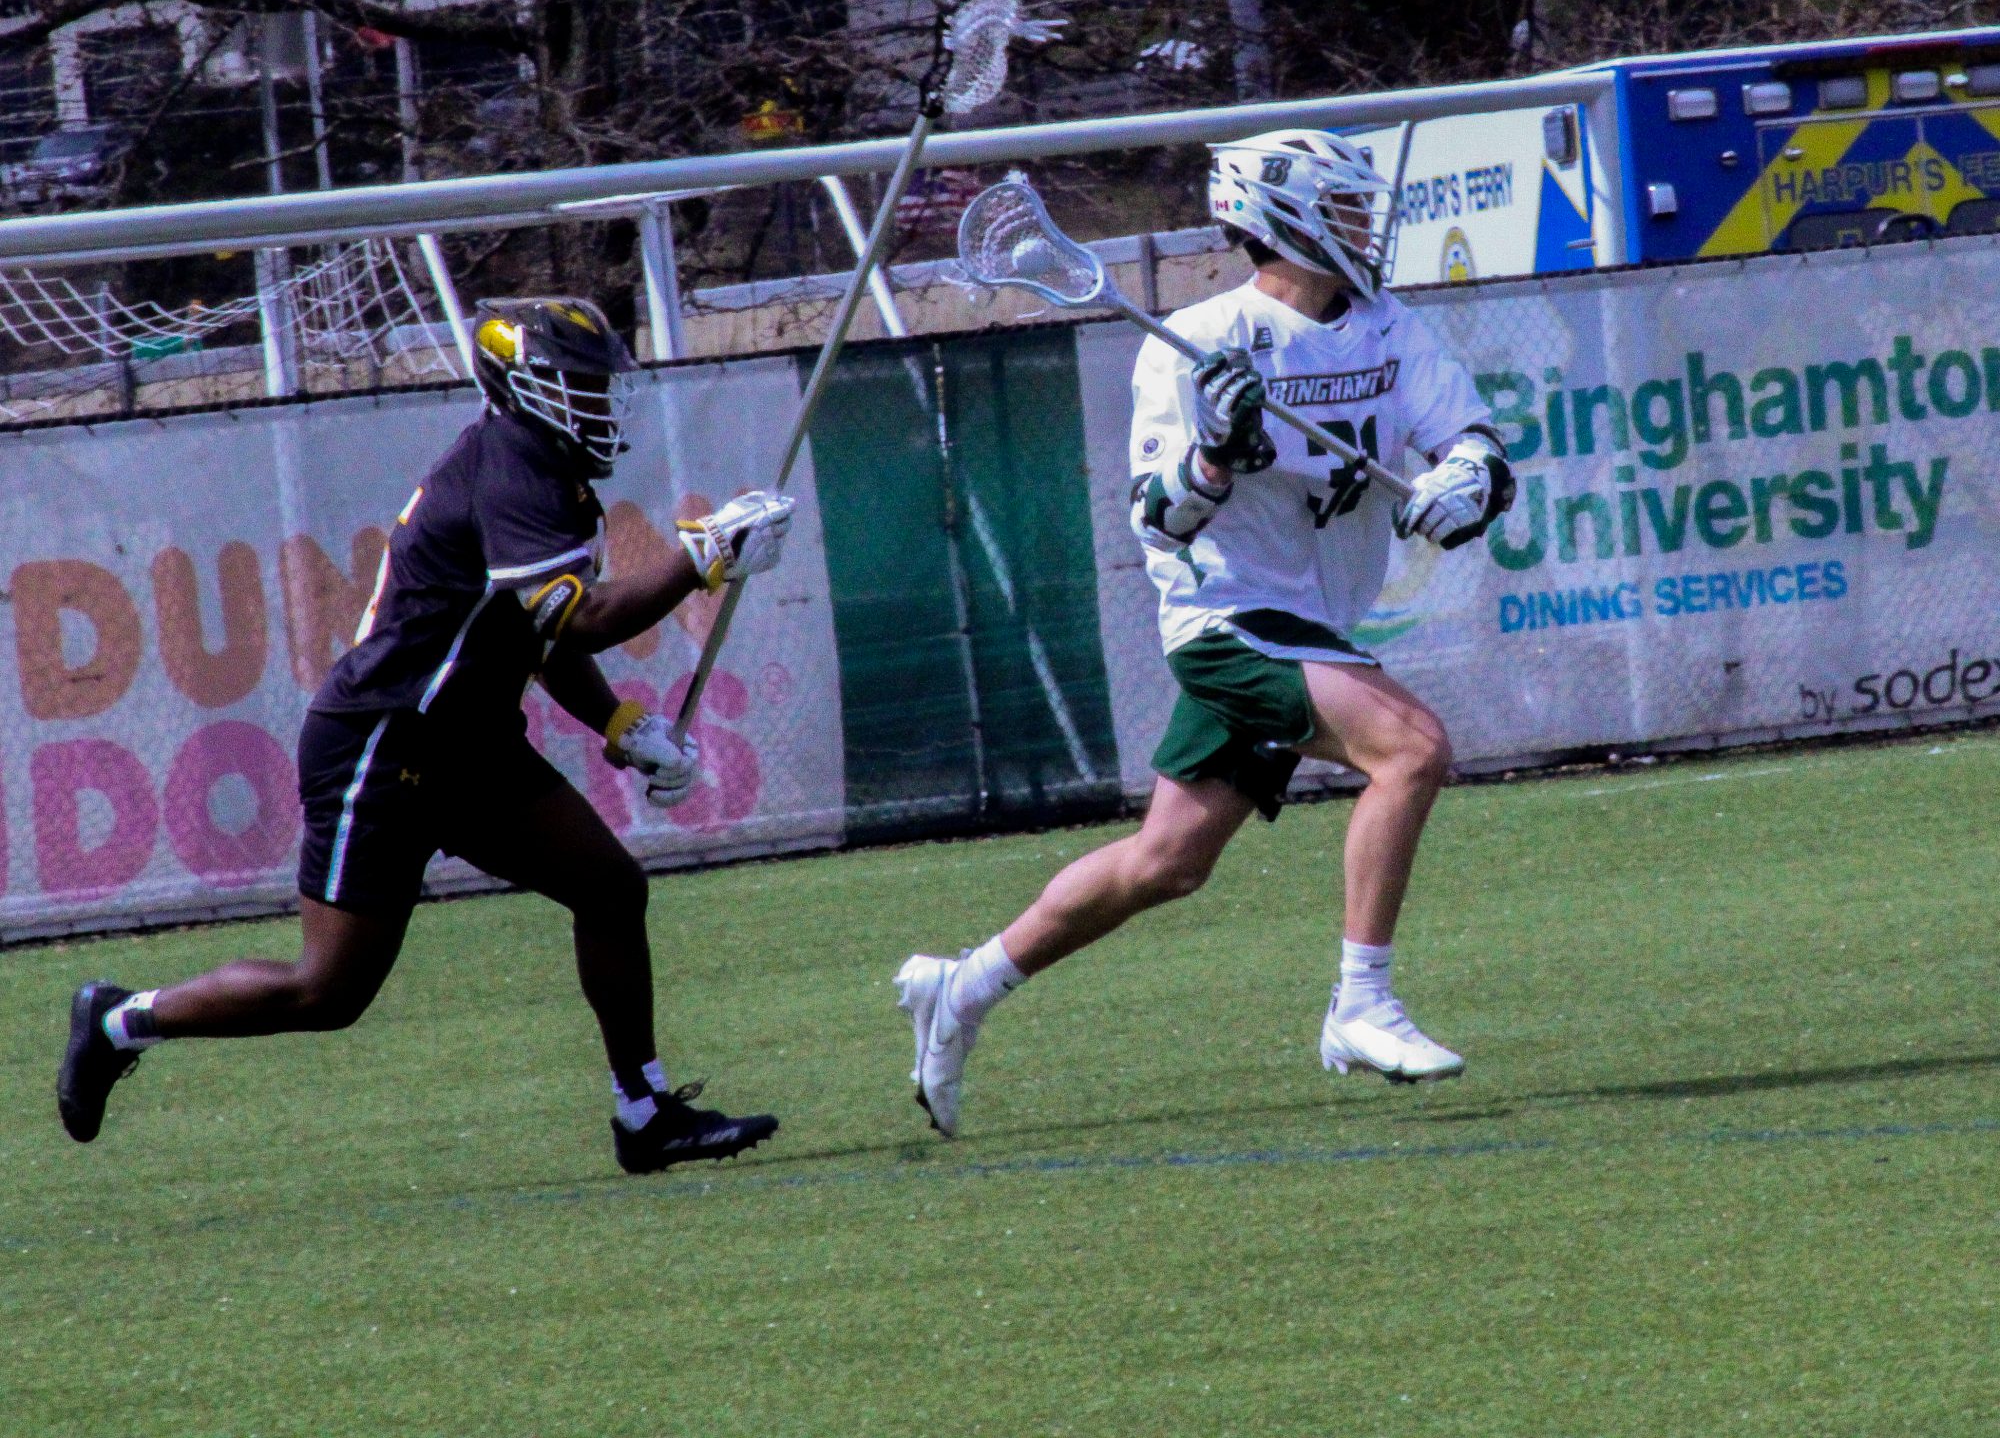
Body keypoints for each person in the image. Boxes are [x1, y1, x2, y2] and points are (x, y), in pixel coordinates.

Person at [58, 297, 796, 1175]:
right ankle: (116, 1019)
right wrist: (700, 558)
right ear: (526, 387)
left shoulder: (551, 475)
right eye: (581, 384)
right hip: (385, 742)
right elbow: (585, 618)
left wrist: (619, 722)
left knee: (609, 889)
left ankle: (644, 1113)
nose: (600, 402)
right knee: (327, 990)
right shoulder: (510, 465)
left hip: (470, 745)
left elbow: (541, 632)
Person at [895, 130, 1514, 1138]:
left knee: (1167, 861)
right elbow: (1158, 516)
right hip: (1227, 616)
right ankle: (1360, 1002)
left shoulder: (1390, 328)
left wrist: (1465, 482)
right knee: (1410, 748)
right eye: (1345, 205)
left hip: (1312, 621)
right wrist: (1217, 454)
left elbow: (1474, 442)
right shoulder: (1196, 339)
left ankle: (959, 988)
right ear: (1283, 218)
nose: (1366, 223)